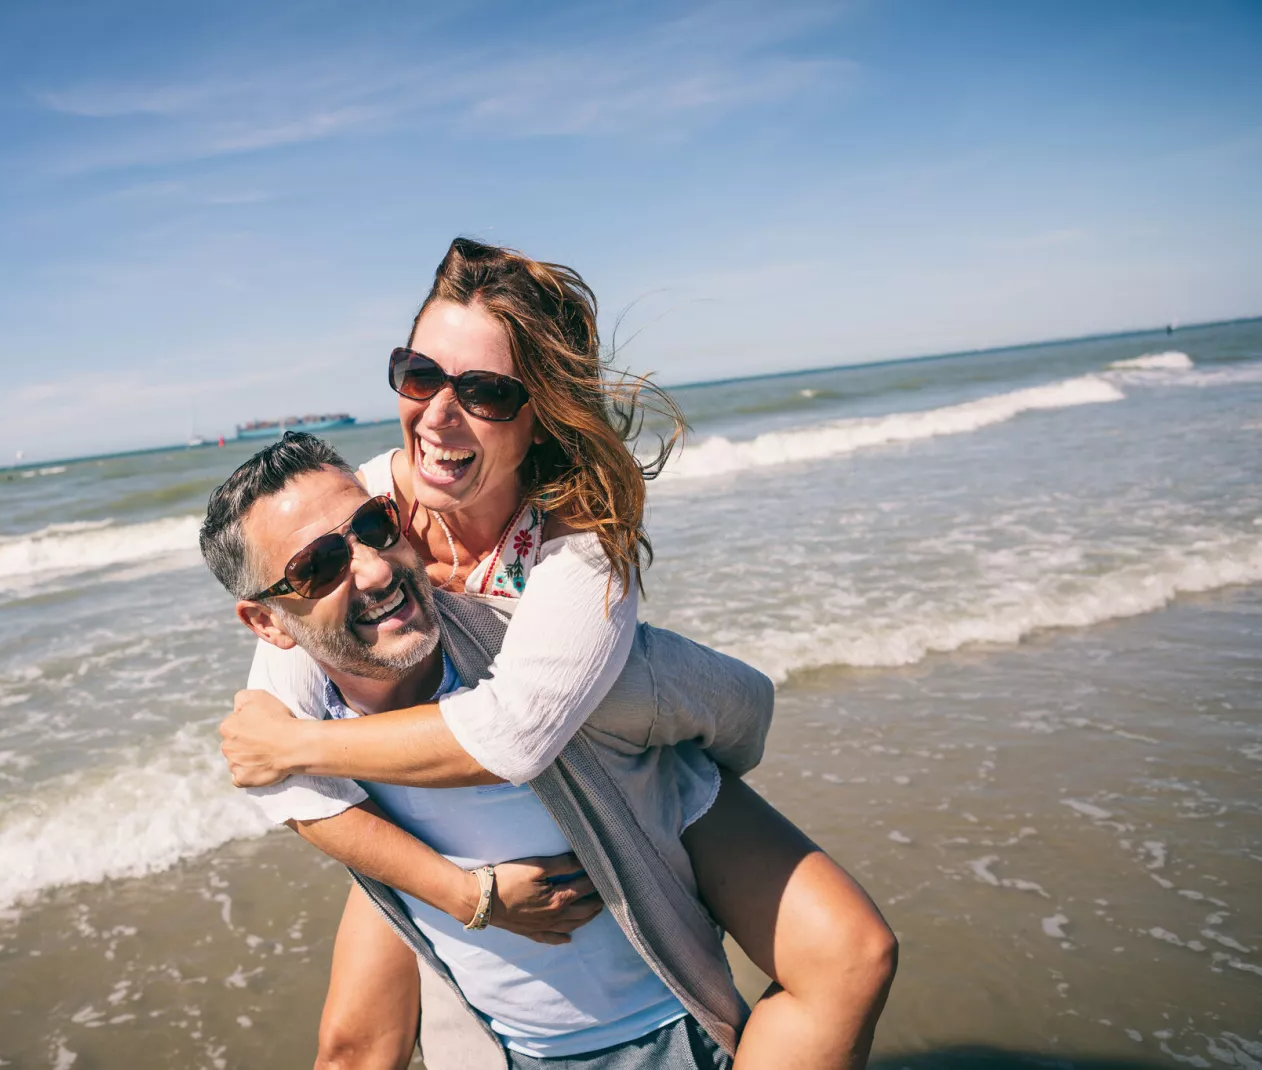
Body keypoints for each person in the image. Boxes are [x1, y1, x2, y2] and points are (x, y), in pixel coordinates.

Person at [214, 239, 896, 1067]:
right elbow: (268, 758)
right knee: (352, 1045)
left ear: (541, 409)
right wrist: (467, 895)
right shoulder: (357, 511)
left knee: (846, 949)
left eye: (488, 392)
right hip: (446, 798)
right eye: (420, 374)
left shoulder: (577, 543)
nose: (436, 415)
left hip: (619, 740)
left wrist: (301, 743)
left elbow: (511, 735)